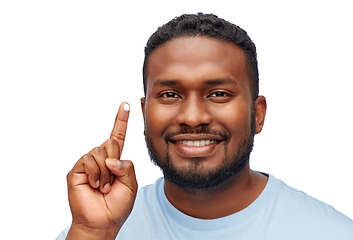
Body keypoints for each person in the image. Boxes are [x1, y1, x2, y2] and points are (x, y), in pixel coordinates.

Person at [56, 13, 353, 239]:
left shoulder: (332, 233)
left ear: (257, 113)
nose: (193, 117)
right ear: (145, 114)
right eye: (170, 94)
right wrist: (91, 233)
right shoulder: (97, 227)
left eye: (219, 94)